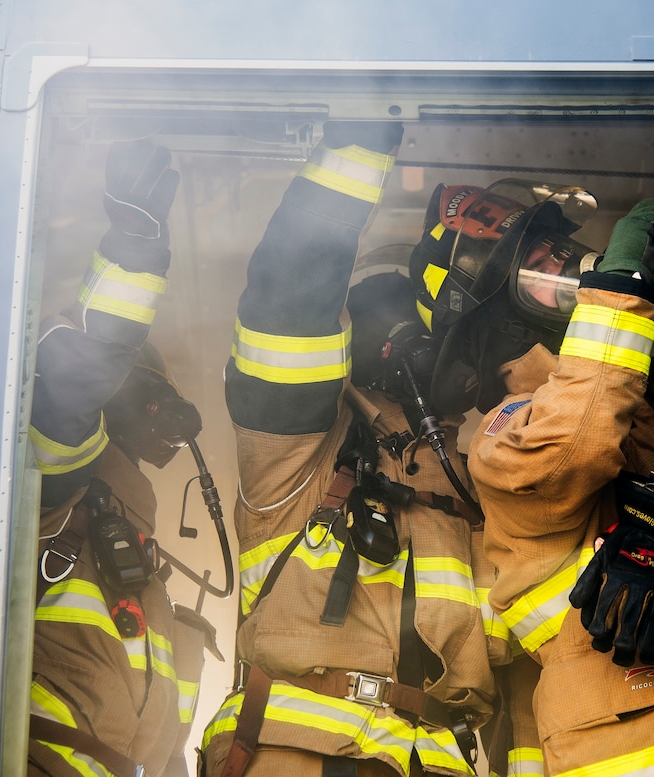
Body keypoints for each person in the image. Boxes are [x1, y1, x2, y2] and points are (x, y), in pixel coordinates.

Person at [199, 122, 495, 777]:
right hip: (297, 756)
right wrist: (363, 135)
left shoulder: (476, 481)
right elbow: (290, 313)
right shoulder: (297, 456)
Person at [410, 183, 654, 776]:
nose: (564, 258)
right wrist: (623, 284)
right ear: (497, 320)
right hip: (631, 744)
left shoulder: (640, 394)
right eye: (539, 257)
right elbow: (578, 433)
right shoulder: (504, 437)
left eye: (556, 243)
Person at [28, 139, 220, 777]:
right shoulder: (59, 474)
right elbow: (77, 383)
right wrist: (136, 246)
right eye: (149, 388)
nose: (163, 408)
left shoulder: (131, 534)